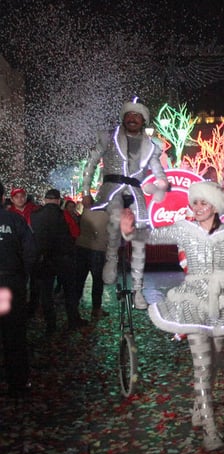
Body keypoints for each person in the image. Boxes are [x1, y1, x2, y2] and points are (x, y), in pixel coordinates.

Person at [120, 181, 224, 451]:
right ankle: (210, 431)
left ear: (216, 207)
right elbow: (153, 236)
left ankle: (199, 408)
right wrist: (131, 230)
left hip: (221, 304)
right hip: (192, 303)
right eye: (194, 202)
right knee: (203, 366)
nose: (197, 208)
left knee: (214, 363)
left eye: (203, 203)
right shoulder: (184, 229)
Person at [81, 98, 169, 310]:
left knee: (139, 239)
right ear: (123, 117)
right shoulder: (109, 137)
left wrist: (161, 186)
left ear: (143, 120)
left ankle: (138, 289)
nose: (133, 119)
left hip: (136, 193)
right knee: (115, 217)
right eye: (129, 115)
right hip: (112, 189)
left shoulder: (151, 146)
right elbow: (91, 163)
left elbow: (159, 174)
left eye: (137, 116)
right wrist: (85, 191)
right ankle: (111, 258)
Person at [0, 180, 38, 396]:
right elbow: (31, 250)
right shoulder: (15, 220)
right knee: (14, 335)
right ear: (3, 197)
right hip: (11, 283)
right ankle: (18, 383)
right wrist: (23, 273)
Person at [30, 188, 83, 333]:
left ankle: (51, 325)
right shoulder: (65, 215)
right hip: (64, 259)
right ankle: (72, 321)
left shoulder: (34, 216)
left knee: (46, 294)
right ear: (59, 201)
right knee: (69, 292)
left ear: (45, 200)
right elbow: (76, 233)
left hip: (44, 260)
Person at [73, 205, 110, 319]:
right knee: (98, 281)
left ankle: (73, 309)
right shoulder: (108, 212)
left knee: (79, 279)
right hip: (98, 249)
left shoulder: (86, 210)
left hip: (81, 247)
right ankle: (96, 309)